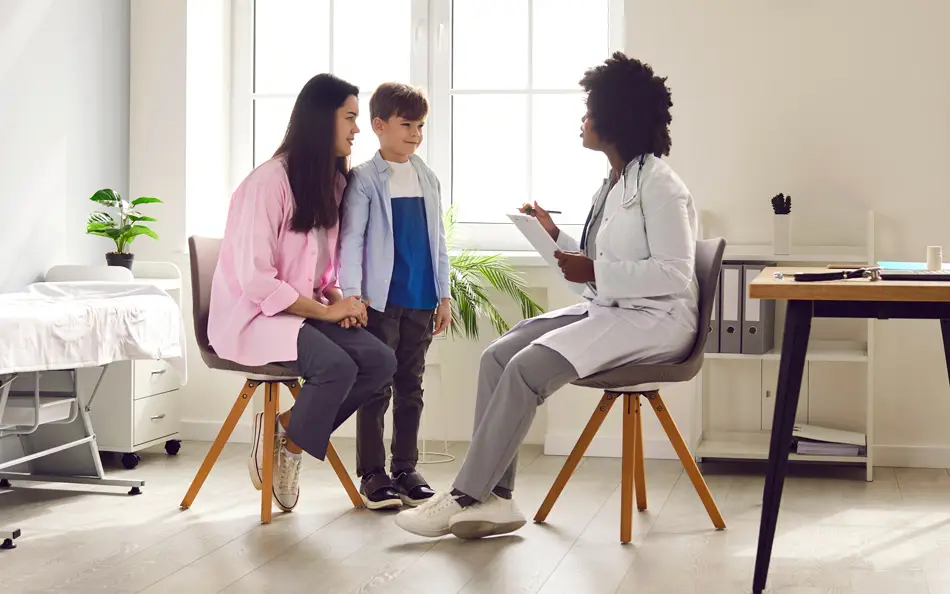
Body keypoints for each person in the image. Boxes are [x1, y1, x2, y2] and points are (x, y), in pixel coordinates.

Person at [395, 52, 700, 539]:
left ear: (614, 117)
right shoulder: (613, 184)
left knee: (527, 369)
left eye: (590, 110)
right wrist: (554, 235)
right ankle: (496, 499)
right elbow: (593, 278)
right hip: (613, 310)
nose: (583, 120)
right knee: (498, 357)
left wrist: (596, 268)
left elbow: (676, 274)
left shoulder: (661, 185)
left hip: (657, 322)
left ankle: (466, 494)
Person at [208, 73, 397, 513]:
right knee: (335, 366)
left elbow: (316, 273)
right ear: (320, 119)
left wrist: (337, 301)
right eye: (350, 117)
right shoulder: (267, 183)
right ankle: (291, 453)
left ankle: (286, 432)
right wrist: (327, 313)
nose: (357, 129)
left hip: (299, 311)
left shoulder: (330, 184)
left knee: (379, 359)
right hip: (253, 317)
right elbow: (258, 281)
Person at [338, 82, 451, 510]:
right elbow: (351, 240)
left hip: (422, 300)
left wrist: (444, 296)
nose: (415, 134)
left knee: (411, 387)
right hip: (380, 302)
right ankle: (372, 473)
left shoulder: (427, 176)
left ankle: (406, 468)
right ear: (379, 126)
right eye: (407, 125)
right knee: (376, 388)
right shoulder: (365, 179)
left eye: (420, 126)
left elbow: (437, 241)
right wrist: (352, 295)